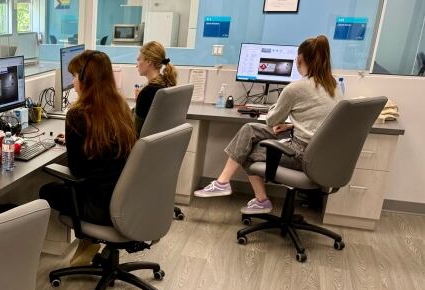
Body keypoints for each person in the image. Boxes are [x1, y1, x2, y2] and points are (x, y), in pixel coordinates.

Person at [193, 35, 341, 214]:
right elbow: (322, 121)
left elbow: (271, 121)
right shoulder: (333, 86)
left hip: (303, 155)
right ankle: (223, 183)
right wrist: (291, 125)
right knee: (249, 129)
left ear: (299, 59)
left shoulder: (296, 88)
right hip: (323, 155)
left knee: (246, 151)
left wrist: (274, 109)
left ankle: (257, 198)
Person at [40, 51, 137, 266]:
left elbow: (77, 171)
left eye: (74, 76)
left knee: (45, 190)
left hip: (100, 207)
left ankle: (86, 240)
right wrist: (76, 141)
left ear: (86, 80)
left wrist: (75, 142)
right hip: (126, 200)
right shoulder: (121, 108)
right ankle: (89, 244)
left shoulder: (77, 114)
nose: (73, 81)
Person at [134, 41, 178, 135]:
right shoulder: (166, 83)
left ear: (149, 61)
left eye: (139, 59)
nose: (136, 64)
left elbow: (135, 129)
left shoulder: (148, 92)